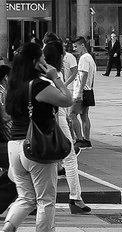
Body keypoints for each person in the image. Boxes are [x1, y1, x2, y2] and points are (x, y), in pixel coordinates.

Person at [2, 40, 75, 232]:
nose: (47, 62)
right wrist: (55, 77)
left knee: (25, 197)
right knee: (46, 200)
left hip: (14, 146)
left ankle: (7, 229)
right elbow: (68, 100)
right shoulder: (39, 86)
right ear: (36, 62)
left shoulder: (14, 84)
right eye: (43, 59)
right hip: (37, 145)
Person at [43, 36, 90, 215]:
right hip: (56, 117)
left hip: (54, 116)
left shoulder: (44, 72)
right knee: (69, 157)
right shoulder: (52, 74)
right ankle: (75, 198)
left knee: (50, 159)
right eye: (63, 54)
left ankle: (31, 198)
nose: (65, 58)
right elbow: (65, 98)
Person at [69, 36, 96, 149]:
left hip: (81, 90)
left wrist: (79, 92)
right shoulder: (90, 57)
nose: (75, 49)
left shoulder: (84, 58)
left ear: (82, 45)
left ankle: (79, 139)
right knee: (84, 115)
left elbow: (83, 74)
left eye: (76, 46)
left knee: (72, 114)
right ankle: (87, 139)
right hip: (88, 89)